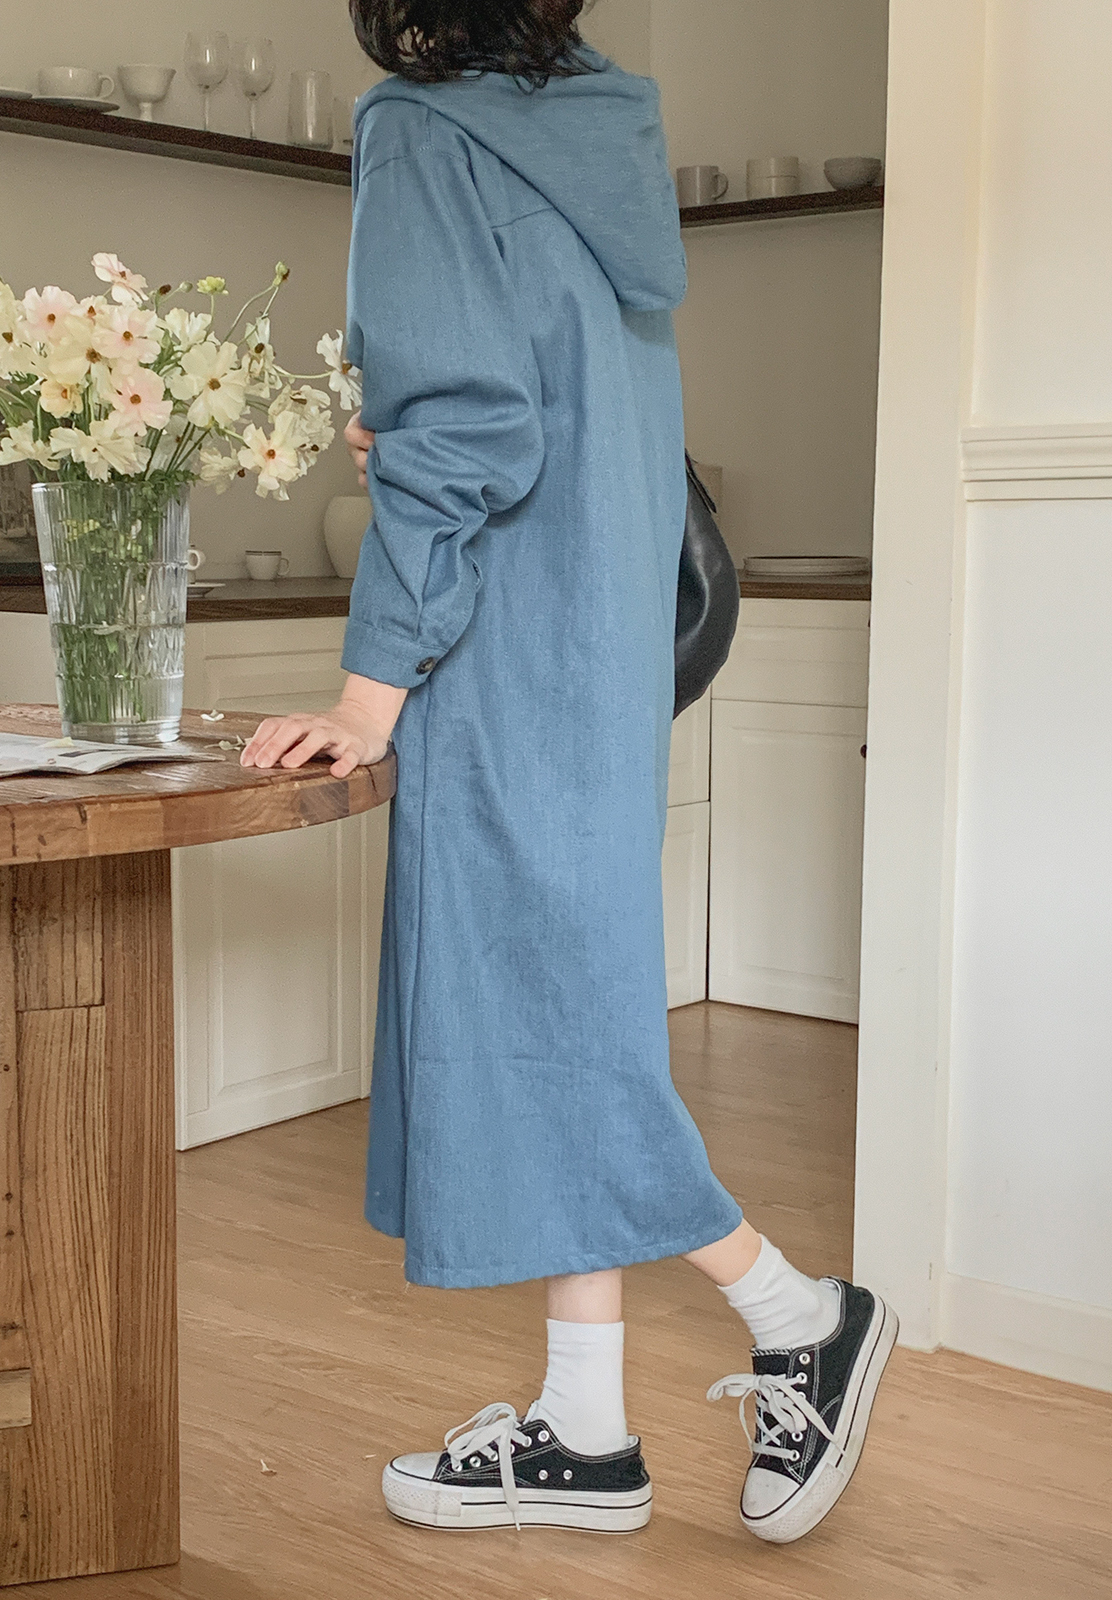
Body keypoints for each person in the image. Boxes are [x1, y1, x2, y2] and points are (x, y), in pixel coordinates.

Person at [241, 0, 896, 1546]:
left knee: (540, 1025)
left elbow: (467, 425)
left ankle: (798, 1314)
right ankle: (585, 1430)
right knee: (561, 1012)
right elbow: (549, 408)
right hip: (599, 656)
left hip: (501, 659)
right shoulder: (603, 124)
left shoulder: (421, 129)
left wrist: (372, 692)